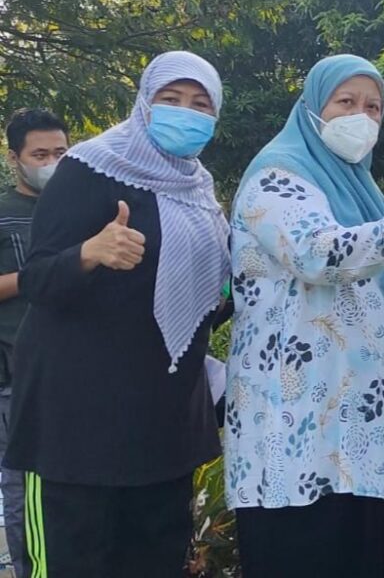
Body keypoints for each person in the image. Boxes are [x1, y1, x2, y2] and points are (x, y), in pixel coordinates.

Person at [225, 54, 384, 578]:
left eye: (373, 107)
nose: (361, 116)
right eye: (346, 102)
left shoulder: (360, 192)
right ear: (312, 107)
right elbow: (315, 253)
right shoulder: (276, 175)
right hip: (297, 433)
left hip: (366, 434)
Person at [3, 52, 230, 577]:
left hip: (162, 423)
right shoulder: (89, 168)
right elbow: (37, 280)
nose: (185, 112)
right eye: (170, 100)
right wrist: (90, 252)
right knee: (76, 562)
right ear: (143, 104)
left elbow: (204, 304)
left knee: (153, 561)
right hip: (82, 425)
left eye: (200, 104)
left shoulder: (199, 190)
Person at [0, 108, 69, 578]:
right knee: (25, 493)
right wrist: (39, 277)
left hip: (76, 373)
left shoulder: (81, 207)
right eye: (39, 154)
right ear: (14, 158)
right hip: (15, 377)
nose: (51, 162)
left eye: (60, 153)